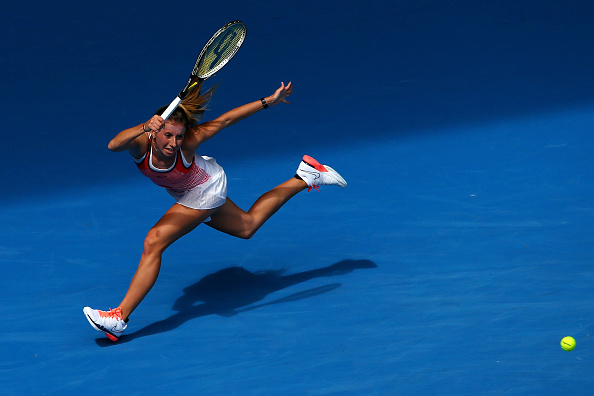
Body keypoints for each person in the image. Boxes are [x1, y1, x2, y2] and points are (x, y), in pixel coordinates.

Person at [83, 81, 347, 342]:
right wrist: (143, 126)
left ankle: (119, 317)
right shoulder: (141, 142)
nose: (174, 142)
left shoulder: (187, 143)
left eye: (179, 136)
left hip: (205, 188)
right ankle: (306, 176)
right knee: (247, 226)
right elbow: (113, 145)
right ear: (155, 130)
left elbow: (225, 120)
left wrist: (269, 100)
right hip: (189, 192)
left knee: (154, 240)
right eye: (167, 135)